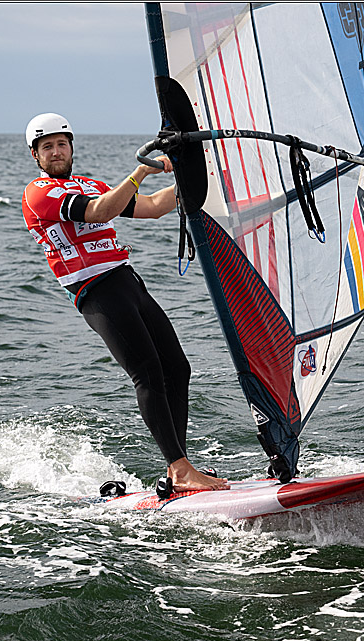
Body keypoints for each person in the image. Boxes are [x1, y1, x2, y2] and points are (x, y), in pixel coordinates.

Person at [20, 112, 228, 494]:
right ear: (36, 155)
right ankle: (180, 469)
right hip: (96, 292)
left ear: (71, 147)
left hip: (129, 282)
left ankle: (178, 467)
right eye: (46, 147)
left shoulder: (91, 183)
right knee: (147, 372)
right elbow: (99, 211)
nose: (55, 152)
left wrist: (196, 178)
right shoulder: (39, 192)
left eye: (60, 144)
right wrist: (142, 171)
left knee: (177, 368)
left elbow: (149, 207)